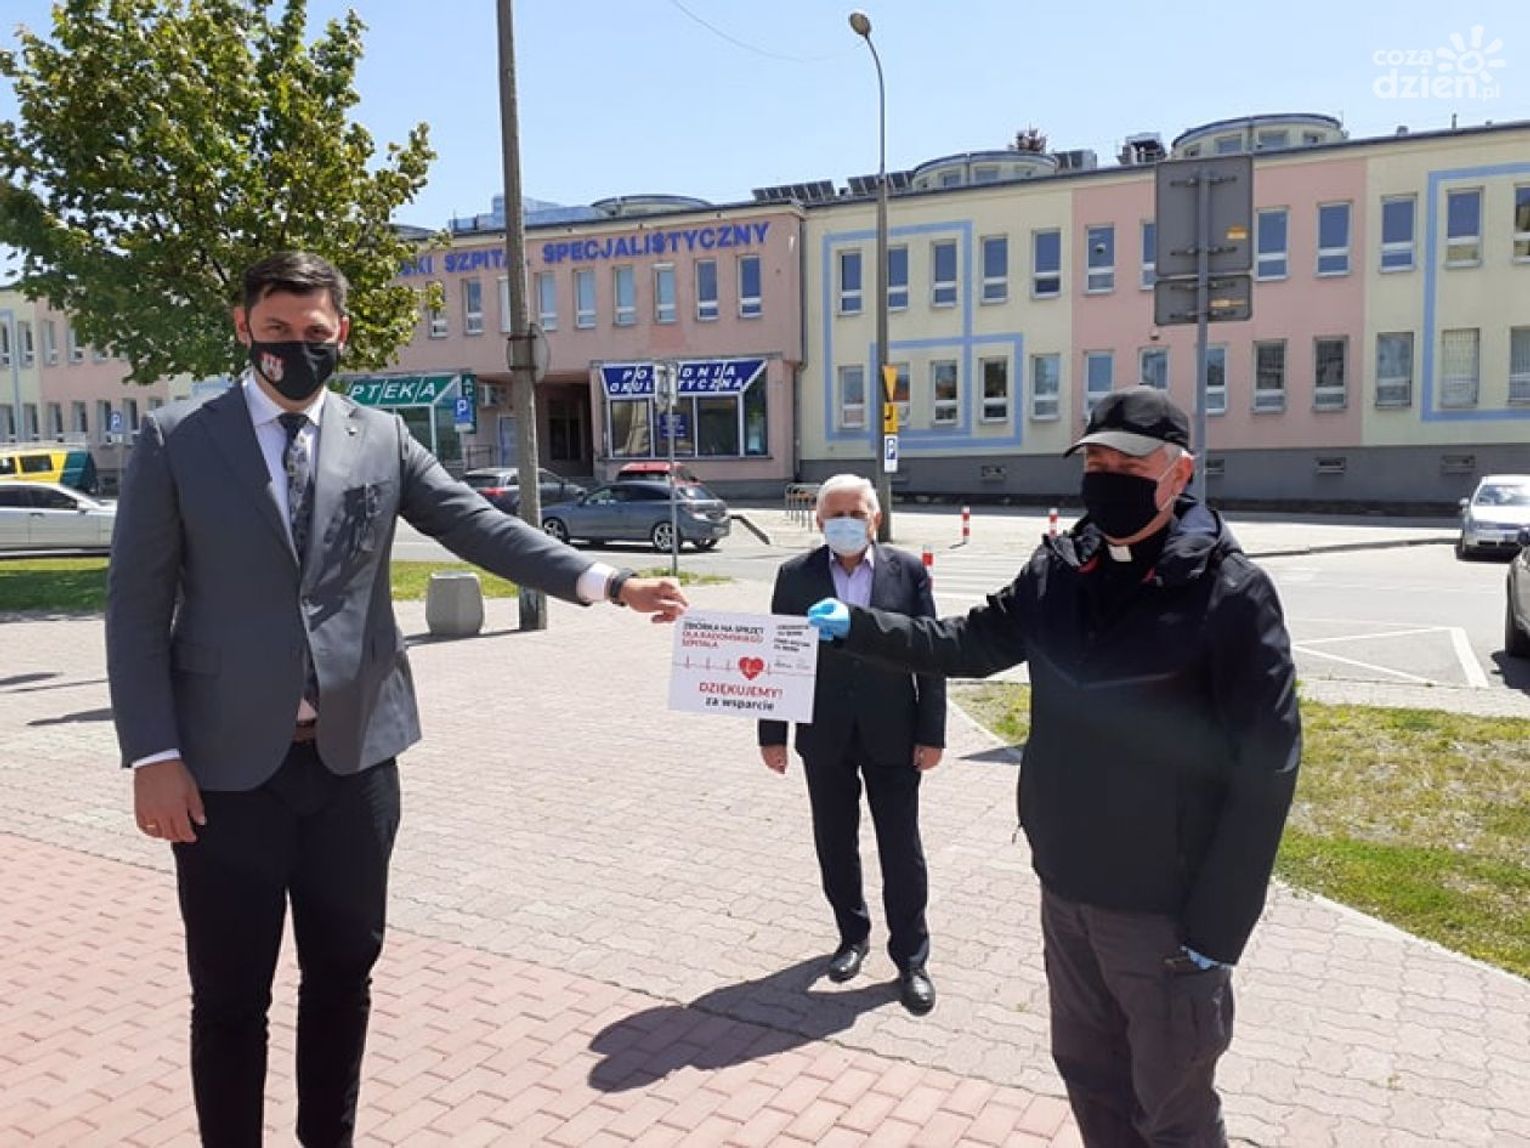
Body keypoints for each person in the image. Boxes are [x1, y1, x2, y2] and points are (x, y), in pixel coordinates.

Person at [105, 251, 688, 1148]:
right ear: (243, 326)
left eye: (314, 332)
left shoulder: (378, 437)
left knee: (344, 977)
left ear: (340, 333)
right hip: (221, 774)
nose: (295, 347)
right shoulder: (177, 437)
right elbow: (137, 609)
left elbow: (476, 523)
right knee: (229, 998)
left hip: (354, 764)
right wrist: (154, 754)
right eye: (276, 329)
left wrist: (607, 583)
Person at [807, 387, 1300, 1147]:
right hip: (1066, 890)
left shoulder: (1230, 594)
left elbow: (1267, 770)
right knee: (1089, 1076)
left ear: (1179, 473)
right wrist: (859, 627)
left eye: (1127, 465)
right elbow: (968, 642)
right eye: (1095, 461)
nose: (1106, 477)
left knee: (1172, 1107)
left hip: (1163, 915)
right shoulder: (1060, 570)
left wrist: (1217, 931)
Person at [758, 473, 946, 1015]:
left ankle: (911, 959)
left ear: (875, 518)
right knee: (835, 841)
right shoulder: (795, 575)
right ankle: (852, 936)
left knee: (901, 848)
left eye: (856, 514)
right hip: (824, 732)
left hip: (895, 733)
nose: (846, 522)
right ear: (819, 521)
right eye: (835, 514)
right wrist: (772, 734)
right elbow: (777, 656)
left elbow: (930, 652)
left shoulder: (908, 571)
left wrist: (932, 732)